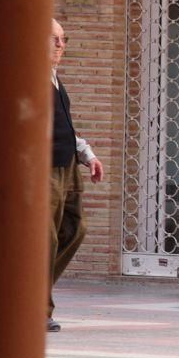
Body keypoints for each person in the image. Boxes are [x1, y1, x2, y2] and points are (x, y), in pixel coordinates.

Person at [48, 18, 104, 332]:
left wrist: (88, 155)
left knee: (74, 229)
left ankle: (23, 295)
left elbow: (66, 126)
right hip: (44, 169)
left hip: (69, 167)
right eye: (54, 38)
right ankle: (36, 309)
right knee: (45, 237)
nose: (61, 45)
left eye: (63, 39)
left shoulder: (54, 79)